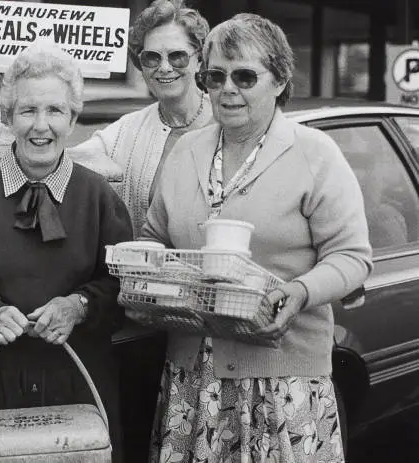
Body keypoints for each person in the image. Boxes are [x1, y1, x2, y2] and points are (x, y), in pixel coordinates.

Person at [140, 13, 372, 462]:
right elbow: (156, 234)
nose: (228, 89)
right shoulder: (187, 149)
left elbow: (352, 256)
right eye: (215, 76)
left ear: (280, 80)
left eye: (245, 76)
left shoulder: (314, 153)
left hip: (281, 385)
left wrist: (300, 292)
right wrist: (144, 270)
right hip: (193, 380)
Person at [0, 42, 133, 461]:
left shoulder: (99, 197)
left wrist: (78, 306)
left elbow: (122, 286)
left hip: (78, 379)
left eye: (55, 111)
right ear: (7, 117)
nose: (40, 126)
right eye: (27, 111)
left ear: (74, 118)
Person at [66, 0, 214, 236]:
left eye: (177, 56)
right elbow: (58, 163)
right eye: (152, 58)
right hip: (141, 271)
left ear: (199, 60)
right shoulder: (127, 131)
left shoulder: (229, 122)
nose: (164, 67)